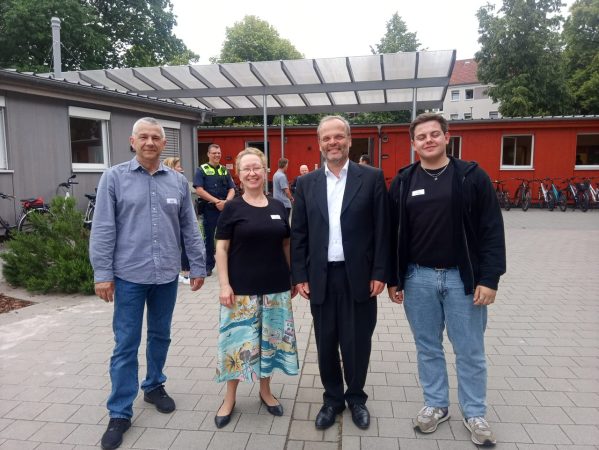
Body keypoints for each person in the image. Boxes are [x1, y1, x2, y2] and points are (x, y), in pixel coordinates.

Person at [387, 112, 506, 447]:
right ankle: (436, 405)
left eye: (434, 135)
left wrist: (490, 278)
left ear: (446, 137)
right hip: (418, 279)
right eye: (421, 136)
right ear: (413, 144)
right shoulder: (404, 181)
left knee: (469, 349)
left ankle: (474, 412)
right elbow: (392, 233)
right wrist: (395, 278)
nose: (428, 140)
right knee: (428, 347)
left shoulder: (471, 177)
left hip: (462, 280)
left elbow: (492, 230)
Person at [90, 117, 207, 450]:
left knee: (161, 334)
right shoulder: (113, 178)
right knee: (126, 343)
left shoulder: (177, 182)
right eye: (144, 137)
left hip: (166, 275)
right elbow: (103, 229)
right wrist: (103, 274)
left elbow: (189, 226)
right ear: (132, 141)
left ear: (163, 143)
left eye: (156, 137)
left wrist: (197, 264)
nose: (150, 142)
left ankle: (154, 385)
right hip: (128, 276)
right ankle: (120, 412)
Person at [291, 115, 389, 430]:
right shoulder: (306, 184)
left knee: (357, 342)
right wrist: (299, 274)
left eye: (338, 137)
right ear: (320, 144)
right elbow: (299, 233)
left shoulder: (372, 177)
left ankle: (356, 398)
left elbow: (383, 230)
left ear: (348, 140)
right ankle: (332, 399)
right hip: (321, 276)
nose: (333, 143)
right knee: (326, 341)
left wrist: (380, 271)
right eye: (326, 139)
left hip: (359, 276)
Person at [213, 147, 299, 428]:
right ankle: (229, 398)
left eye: (257, 168)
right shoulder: (233, 208)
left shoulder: (277, 206)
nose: (252, 173)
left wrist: (293, 276)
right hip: (240, 292)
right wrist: (224, 284)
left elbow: (285, 243)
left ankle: (265, 391)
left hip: (275, 288)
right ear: (238, 175)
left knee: (269, 344)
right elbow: (222, 249)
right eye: (246, 169)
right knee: (237, 346)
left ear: (266, 171)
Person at [193, 144, 236, 276]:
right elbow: (199, 190)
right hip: (210, 208)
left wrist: (226, 202)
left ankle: (231, 264)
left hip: (225, 208)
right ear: (208, 154)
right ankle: (208, 266)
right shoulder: (202, 170)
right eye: (214, 153)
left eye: (218, 153)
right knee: (210, 238)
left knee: (230, 236)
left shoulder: (224, 170)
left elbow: (232, 189)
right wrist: (216, 201)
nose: (217, 155)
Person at [163, 156, 190, 284]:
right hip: (173, 225)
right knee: (179, 246)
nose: (181, 169)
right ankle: (183, 273)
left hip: (181, 223)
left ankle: (183, 272)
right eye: (178, 166)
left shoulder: (181, 183)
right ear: (171, 168)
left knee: (184, 245)